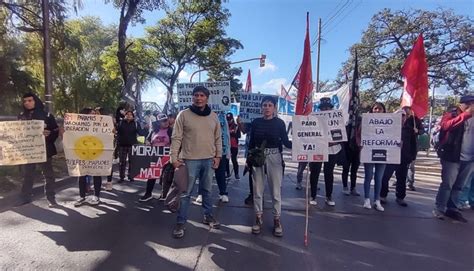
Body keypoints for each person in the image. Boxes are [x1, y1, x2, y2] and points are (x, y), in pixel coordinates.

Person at [170, 86, 222, 239]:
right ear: (192, 97)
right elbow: (176, 137)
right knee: (185, 194)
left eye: (202, 95)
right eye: (196, 95)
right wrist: (174, 158)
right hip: (189, 160)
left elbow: (218, 138)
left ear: (207, 97)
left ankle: (208, 216)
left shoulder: (214, 116)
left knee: (207, 191)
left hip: (208, 160)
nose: (199, 98)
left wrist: (218, 156)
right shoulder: (183, 115)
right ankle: (181, 222)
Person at [248, 95, 291, 237]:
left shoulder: (279, 123)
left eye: (269, 105)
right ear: (261, 107)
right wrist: (249, 158)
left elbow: (286, 142)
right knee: (258, 190)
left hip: (275, 157)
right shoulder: (255, 122)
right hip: (258, 157)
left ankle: (277, 219)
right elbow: (251, 141)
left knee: (275, 191)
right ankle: (258, 217)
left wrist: (302, 145)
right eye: (264, 105)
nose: (266, 107)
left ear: (274, 108)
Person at [433, 95, 474, 223]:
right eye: (469, 104)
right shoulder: (452, 114)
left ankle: (453, 210)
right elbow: (445, 126)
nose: (472, 107)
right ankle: (439, 209)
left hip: (470, 158)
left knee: (459, 186)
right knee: (447, 185)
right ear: (462, 104)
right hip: (452, 157)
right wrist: (465, 115)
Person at [16, 93, 59, 207]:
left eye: (30, 100)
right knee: (27, 174)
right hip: (28, 151)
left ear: (36, 101)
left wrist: (49, 134)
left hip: (44, 150)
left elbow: (55, 130)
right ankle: (25, 197)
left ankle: (51, 198)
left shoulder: (47, 115)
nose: (27, 103)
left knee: (48, 175)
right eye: (25, 101)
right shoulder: (21, 116)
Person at [380, 107, 420, 207]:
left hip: (404, 157)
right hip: (390, 157)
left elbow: (413, 144)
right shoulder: (387, 129)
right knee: (385, 177)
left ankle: (400, 197)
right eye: (399, 116)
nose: (401, 118)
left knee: (401, 178)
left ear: (405, 118)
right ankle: (383, 195)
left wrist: (412, 156)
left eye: (403, 116)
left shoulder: (410, 130)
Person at [308, 97, 342, 207]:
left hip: (332, 150)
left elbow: (341, 135)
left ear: (331, 108)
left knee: (329, 173)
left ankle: (329, 196)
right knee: (315, 172)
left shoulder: (337, 119)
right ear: (320, 108)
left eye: (327, 107)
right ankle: (313, 195)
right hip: (318, 149)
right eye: (323, 107)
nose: (325, 109)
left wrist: (334, 142)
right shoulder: (314, 118)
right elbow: (310, 133)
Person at [74, 108, 105, 207]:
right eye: (91, 114)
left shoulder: (100, 126)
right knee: (82, 175)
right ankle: (82, 196)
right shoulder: (78, 126)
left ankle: (96, 196)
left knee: (96, 174)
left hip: (96, 153)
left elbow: (107, 136)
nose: (94, 116)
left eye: (94, 114)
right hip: (82, 153)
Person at [139, 114, 173, 202]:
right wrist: (147, 143)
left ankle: (164, 195)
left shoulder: (171, 131)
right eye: (163, 121)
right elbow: (147, 140)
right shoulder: (154, 131)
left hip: (167, 157)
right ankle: (148, 194)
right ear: (158, 123)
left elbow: (175, 142)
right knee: (152, 175)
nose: (166, 122)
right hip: (154, 157)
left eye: (166, 120)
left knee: (166, 176)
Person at [362, 102, 387, 211]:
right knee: (368, 176)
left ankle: (377, 200)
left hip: (383, 153)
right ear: (372, 110)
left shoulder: (390, 123)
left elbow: (394, 136)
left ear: (383, 110)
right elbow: (360, 134)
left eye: (380, 109)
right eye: (375, 108)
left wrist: (398, 143)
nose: (377, 110)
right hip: (369, 152)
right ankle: (367, 199)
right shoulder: (366, 121)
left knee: (379, 178)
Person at [116, 110, 143, 183]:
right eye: (127, 114)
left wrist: (145, 128)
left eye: (130, 114)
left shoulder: (136, 123)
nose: (129, 116)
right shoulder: (121, 123)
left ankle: (131, 176)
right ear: (125, 115)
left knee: (132, 162)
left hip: (132, 146)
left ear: (133, 116)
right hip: (122, 145)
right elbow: (116, 131)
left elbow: (141, 133)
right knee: (122, 162)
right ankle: (121, 177)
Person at [341, 120, 361, 196]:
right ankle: (345, 186)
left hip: (357, 148)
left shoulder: (360, 122)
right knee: (345, 168)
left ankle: (353, 187)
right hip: (347, 147)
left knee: (354, 169)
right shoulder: (345, 121)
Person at [215, 113, 231, 202]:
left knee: (221, 173)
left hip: (222, 149)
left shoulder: (222, 116)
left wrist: (228, 149)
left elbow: (226, 133)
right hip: (207, 149)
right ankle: (201, 193)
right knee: (204, 174)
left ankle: (223, 192)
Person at [226, 112, 241, 180]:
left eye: (230, 119)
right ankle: (227, 173)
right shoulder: (224, 126)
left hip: (234, 145)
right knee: (226, 160)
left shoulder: (236, 126)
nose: (229, 121)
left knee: (234, 160)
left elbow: (239, 136)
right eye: (227, 119)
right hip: (226, 145)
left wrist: (233, 133)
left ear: (232, 119)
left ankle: (236, 174)